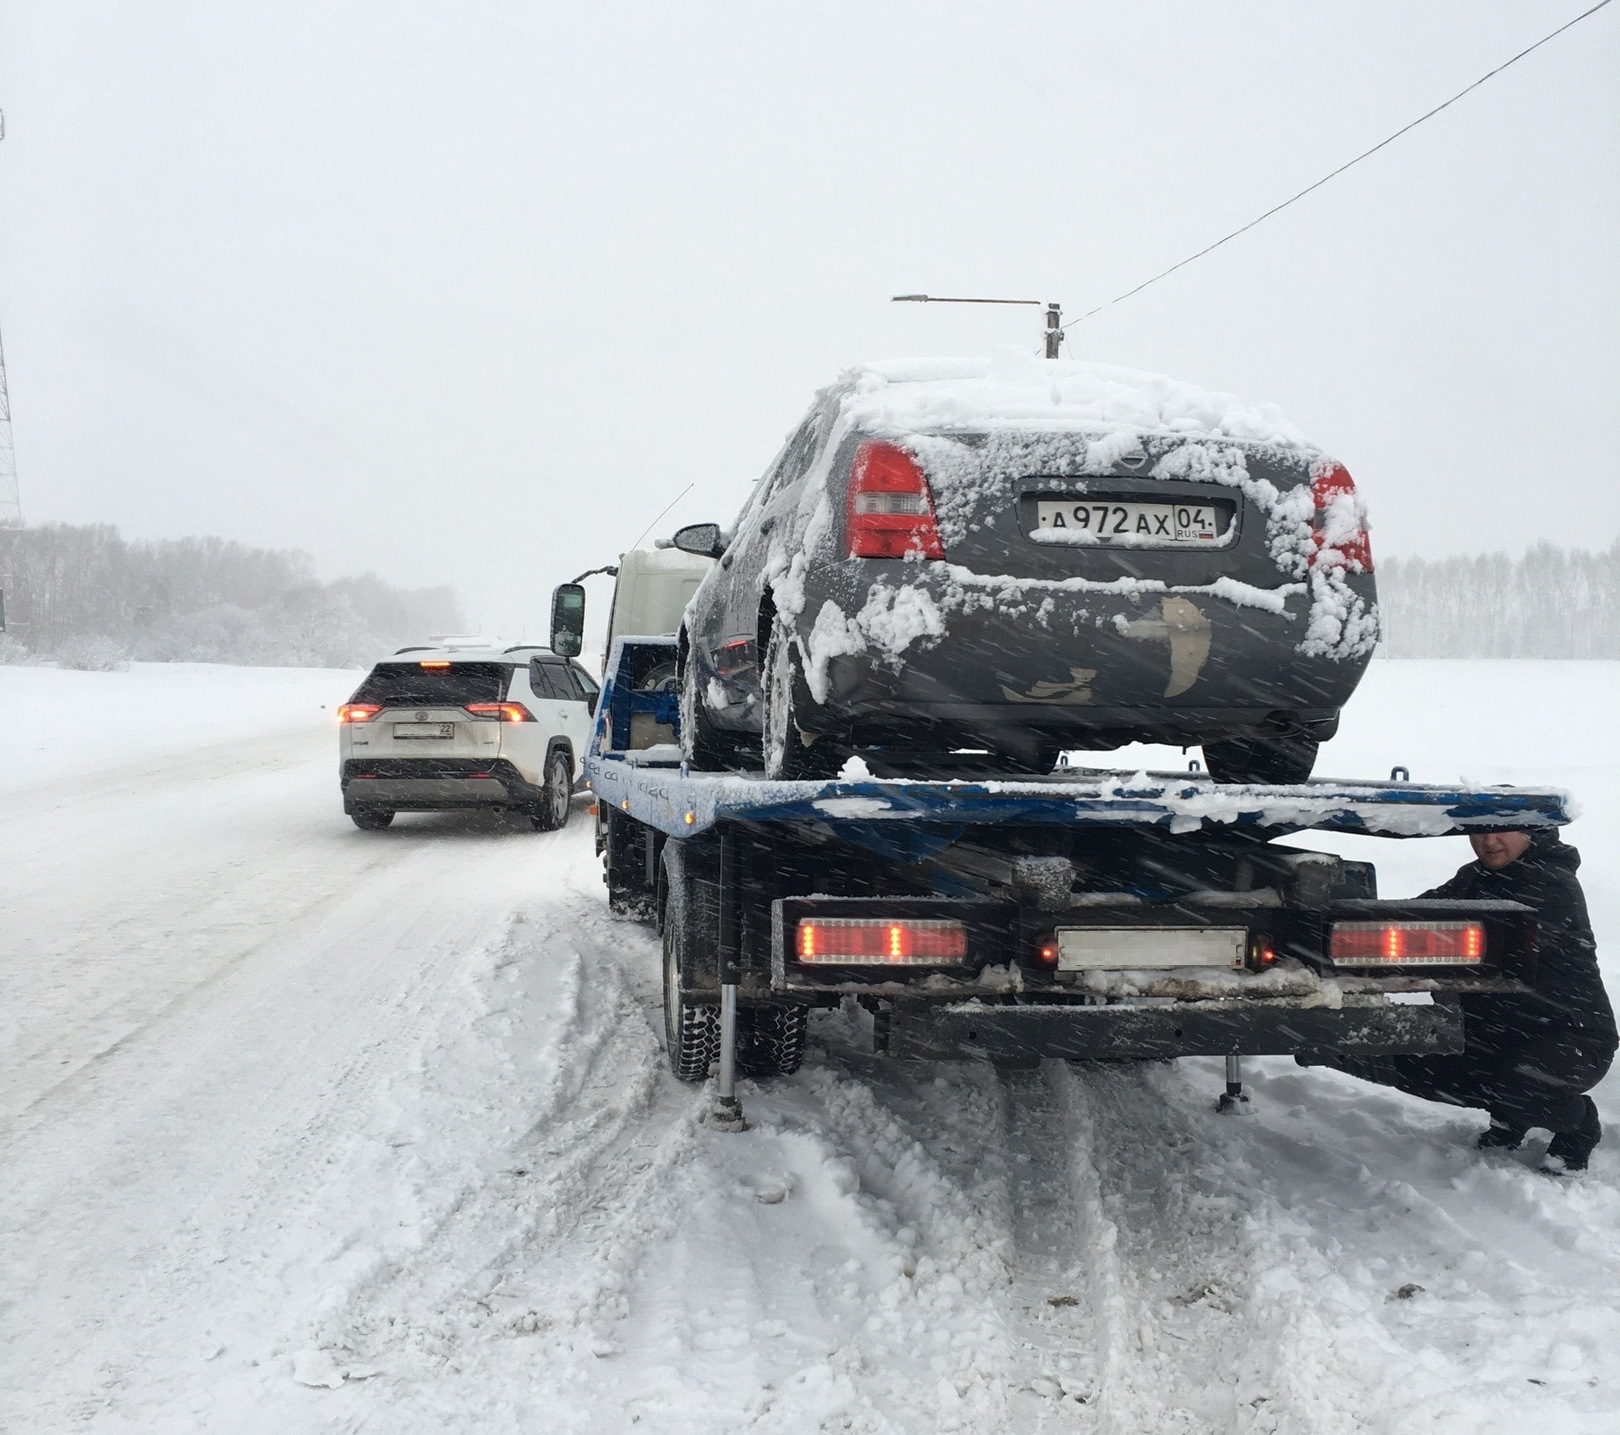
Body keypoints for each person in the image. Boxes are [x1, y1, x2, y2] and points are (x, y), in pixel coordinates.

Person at [1334, 828, 1615, 1173]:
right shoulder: (1476, 876)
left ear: (1531, 834)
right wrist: (1357, 929)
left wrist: (1429, 947)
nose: (1488, 842)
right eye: (1480, 832)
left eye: (1502, 832)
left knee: (1522, 1083)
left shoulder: (1553, 885)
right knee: (1416, 1064)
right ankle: (1508, 1115)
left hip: (1573, 1039)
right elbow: (1419, 914)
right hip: (1500, 1034)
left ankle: (1581, 1127)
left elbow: (1498, 948)